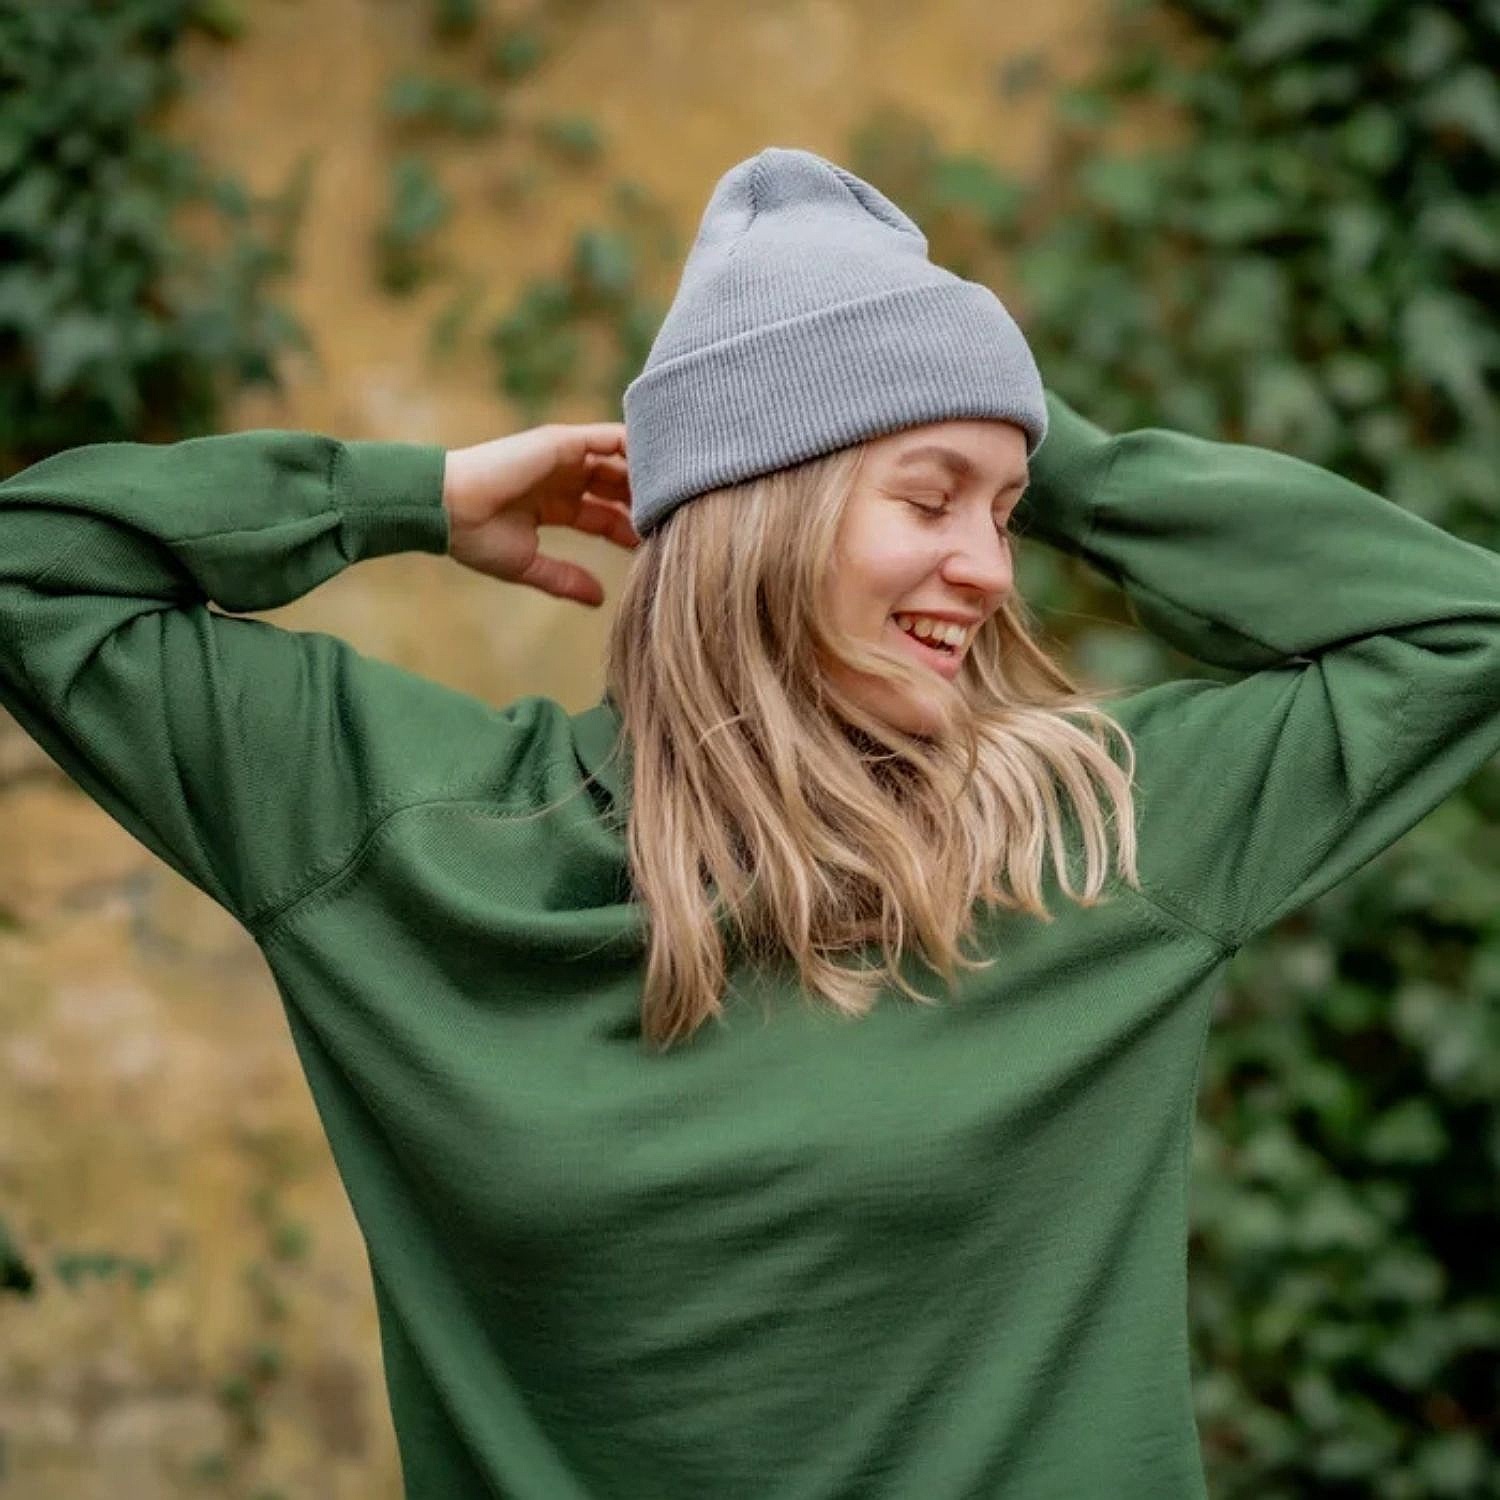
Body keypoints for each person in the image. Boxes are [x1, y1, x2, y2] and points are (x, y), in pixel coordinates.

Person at [2, 145, 1497, 1500]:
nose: (992, 569)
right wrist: (416, 494)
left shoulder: (1086, 835)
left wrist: (1035, 446)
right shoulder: (406, 834)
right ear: (760, 507)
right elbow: (32, 574)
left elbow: (1462, 636)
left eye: (1007, 512)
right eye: (930, 500)